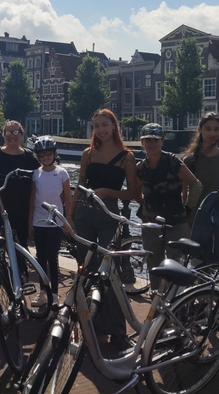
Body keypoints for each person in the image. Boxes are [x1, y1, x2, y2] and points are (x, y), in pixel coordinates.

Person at [69, 109, 137, 347]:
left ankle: (118, 330)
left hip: (109, 214)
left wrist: (109, 192)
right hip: (84, 213)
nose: (100, 130)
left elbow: (134, 193)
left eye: (105, 125)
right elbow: (80, 185)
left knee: (110, 272)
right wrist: (70, 214)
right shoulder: (88, 153)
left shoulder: (126, 157)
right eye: (96, 126)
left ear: (114, 126)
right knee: (85, 269)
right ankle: (87, 323)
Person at [136, 123, 201, 287]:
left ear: (162, 142)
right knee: (154, 265)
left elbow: (196, 185)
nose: (151, 144)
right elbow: (136, 192)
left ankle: (176, 305)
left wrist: (187, 209)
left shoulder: (173, 162)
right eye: (148, 140)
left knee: (176, 265)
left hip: (175, 221)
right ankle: (157, 305)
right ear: (142, 142)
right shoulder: (140, 167)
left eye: (156, 140)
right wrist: (146, 206)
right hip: (150, 223)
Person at [0, 120, 40, 246]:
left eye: (16, 132)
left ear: (22, 135)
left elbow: (41, 181)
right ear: (3, 135)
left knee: (20, 247)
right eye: (8, 132)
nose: (12, 136)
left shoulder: (29, 157)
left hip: (21, 211)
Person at [27, 136, 71, 307]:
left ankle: (54, 294)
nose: (45, 158)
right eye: (41, 155)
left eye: (48, 154)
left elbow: (68, 197)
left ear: (54, 154)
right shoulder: (36, 174)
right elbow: (32, 198)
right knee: (40, 257)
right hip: (38, 221)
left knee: (53, 257)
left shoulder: (61, 173)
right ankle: (43, 291)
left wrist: (67, 219)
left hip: (55, 223)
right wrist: (30, 221)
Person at [182, 112, 219, 221]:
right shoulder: (189, 160)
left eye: (216, 129)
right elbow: (184, 196)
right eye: (208, 129)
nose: (212, 133)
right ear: (200, 130)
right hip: (194, 219)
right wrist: (186, 222)